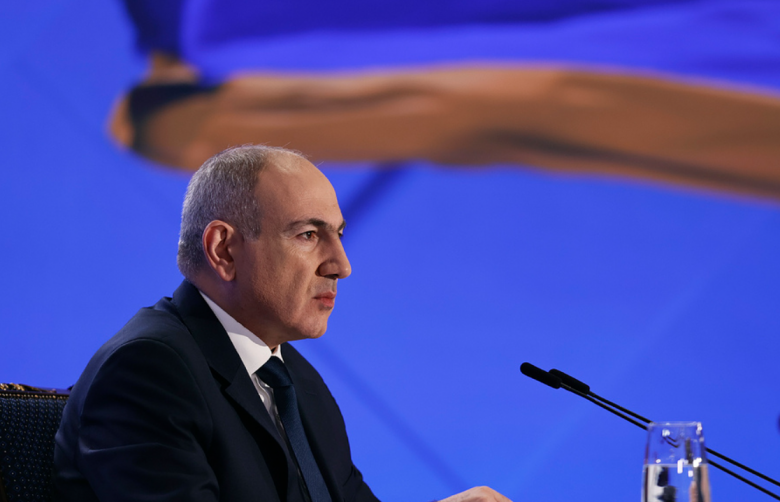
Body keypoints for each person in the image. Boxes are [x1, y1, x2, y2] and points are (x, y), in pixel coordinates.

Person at [52, 145, 512, 502]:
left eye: (339, 235)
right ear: (224, 250)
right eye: (308, 235)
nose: (341, 265)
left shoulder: (294, 380)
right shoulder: (149, 371)